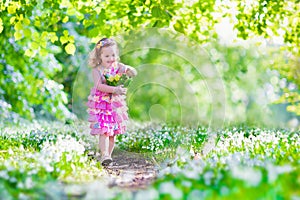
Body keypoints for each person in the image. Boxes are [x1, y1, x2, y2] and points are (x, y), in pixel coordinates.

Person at [86, 38, 137, 166]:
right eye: (107, 55)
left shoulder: (117, 67)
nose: (111, 58)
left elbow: (133, 73)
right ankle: (104, 155)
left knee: (112, 133)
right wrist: (115, 89)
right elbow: (99, 86)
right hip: (102, 105)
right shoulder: (97, 70)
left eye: (113, 55)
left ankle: (108, 156)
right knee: (104, 130)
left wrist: (129, 69)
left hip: (114, 105)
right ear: (100, 56)